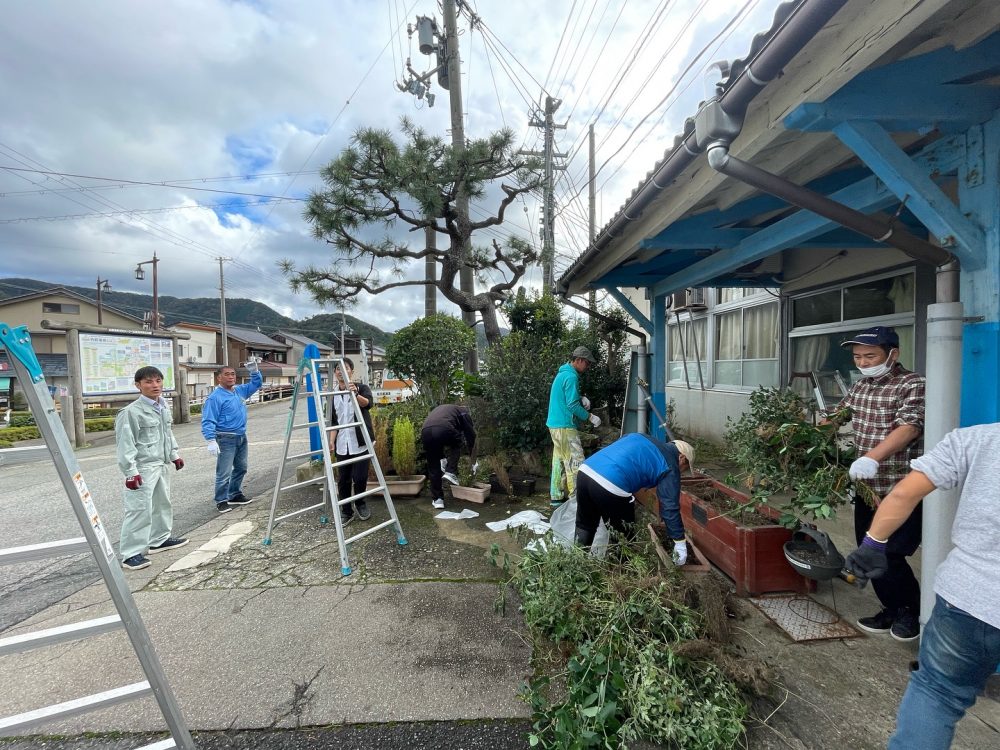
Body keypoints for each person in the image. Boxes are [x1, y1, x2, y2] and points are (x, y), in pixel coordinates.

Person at [845, 423, 1000, 750]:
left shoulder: (981, 438)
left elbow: (904, 492)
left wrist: (872, 545)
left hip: (970, 600)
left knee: (937, 693)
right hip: (971, 599)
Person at [835, 326, 925, 641]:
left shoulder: (912, 384)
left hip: (901, 488)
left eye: (870, 355)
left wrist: (872, 457)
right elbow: (838, 416)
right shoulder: (861, 387)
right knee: (868, 552)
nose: (863, 361)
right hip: (867, 490)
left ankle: (911, 613)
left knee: (891, 554)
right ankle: (890, 608)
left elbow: (910, 427)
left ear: (893, 354)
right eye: (858, 356)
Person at [574, 432, 695, 562]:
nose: (681, 473)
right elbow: (670, 505)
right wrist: (680, 542)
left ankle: (575, 564)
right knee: (624, 536)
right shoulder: (670, 465)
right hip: (612, 483)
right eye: (684, 469)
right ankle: (620, 574)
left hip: (586, 471)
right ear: (682, 458)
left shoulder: (641, 437)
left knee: (585, 524)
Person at [115, 366, 188, 571]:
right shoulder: (131, 412)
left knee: (162, 504)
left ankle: (159, 539)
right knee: (139, 510)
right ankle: (131, 553)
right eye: (148, 382)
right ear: (138, 385)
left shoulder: (162, 406)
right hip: (143, 467)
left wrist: (174, 455)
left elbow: (167, 434)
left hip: (161, 463)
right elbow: (125, 444)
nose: (154, 385)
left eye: (158, 381)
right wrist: (130, 472)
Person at [201, 359, 263, 513]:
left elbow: (256, 384)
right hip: (225, 438)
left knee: (241, 468)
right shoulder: (215, 398)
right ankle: (221, 500)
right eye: (227, 374)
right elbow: (208, 420)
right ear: (219, 378)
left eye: (233, 374)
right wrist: (210, 440)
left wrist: (255, 372)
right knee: (224, 472)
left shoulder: (239, 391)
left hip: (241, 436)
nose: (231, 377)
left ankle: (234, 494)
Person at [546, 345, 602, 508]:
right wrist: (590, 417)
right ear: (578, 360)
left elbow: (567, 398)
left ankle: (556, 497)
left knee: (559, 460)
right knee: (575, 462)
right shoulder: (571, 377)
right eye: (587, 363)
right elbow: (571, 405)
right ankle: (577, 500)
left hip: (554, 425)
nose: (588, 366)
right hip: (564, 426)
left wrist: (580, 397)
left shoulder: (562, 374)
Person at [330, 357, 374, 525]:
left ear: (351, 371)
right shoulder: (332, 394)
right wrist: (331, 441)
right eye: (338, 369)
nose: (341, 371)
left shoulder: (361, 388)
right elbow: (334, 421)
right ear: (335, 373)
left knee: (360, 477)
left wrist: (355, 393)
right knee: (343, 479)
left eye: (345, 368)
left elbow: (368, 404)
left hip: (360, 441)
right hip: (342, 442)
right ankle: (346, 511)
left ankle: (360, 503)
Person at [421, 403, 477, 510]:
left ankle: (438, 500)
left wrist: (442, 456)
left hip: (425, 431)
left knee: (433, 466)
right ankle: (451, 471)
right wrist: (474, 460)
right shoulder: (464, 412)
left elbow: (436, 432)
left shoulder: (446, 410)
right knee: (457, 443)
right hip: (444, 428)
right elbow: (470, 436)